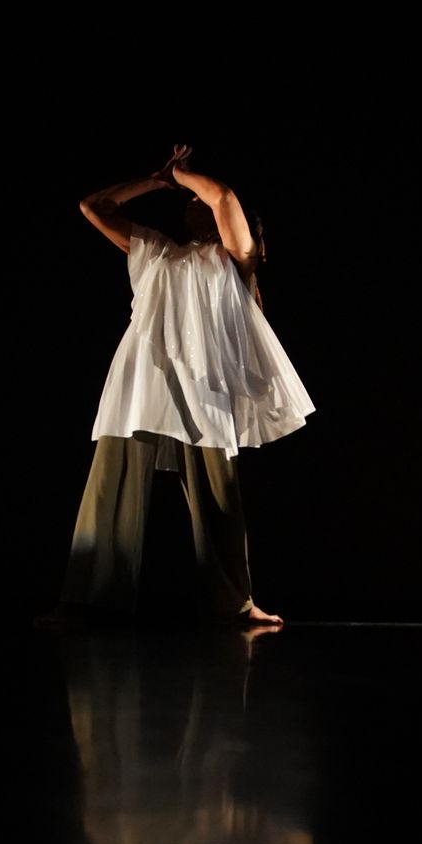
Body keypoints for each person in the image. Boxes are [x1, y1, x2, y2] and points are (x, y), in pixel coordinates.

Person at [55, 145, 313, 627]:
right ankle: (86, 602)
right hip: (140, 383)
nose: (191, 202)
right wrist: (156, 180)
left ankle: (235, 603)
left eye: (198, 200)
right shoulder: (154, 250)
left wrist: (184, 173)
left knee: (219, 496)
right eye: (185, 198)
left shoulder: (236, 257)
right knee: (109, 488)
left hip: (203, 387)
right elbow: (95, 207)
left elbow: (223, 197)